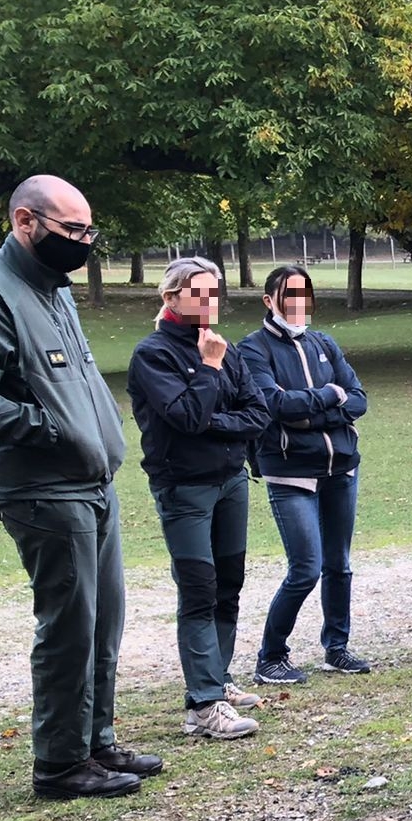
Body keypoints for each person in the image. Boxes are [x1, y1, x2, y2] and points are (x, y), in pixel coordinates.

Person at [0, 175, 162, 798]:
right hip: (42, 486)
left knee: (103, 618)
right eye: (72, 231)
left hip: (92, 482)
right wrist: (53, 431)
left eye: (90, 231)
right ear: (25, 222)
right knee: (68, 624)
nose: (84, 243)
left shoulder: (53, 288)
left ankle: (96, 741)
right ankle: (59, 765)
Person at [127, 256, 272, 741]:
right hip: (184, 487)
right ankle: (204, 705)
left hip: (231, 481)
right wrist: (209, 369)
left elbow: (258, 413)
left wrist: (216, 423)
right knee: (198, 589)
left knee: (229, 581)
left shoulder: (224, 348)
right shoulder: (153, 355)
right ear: (171, 298)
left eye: (215, 293)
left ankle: (216, 680)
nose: (211, 303)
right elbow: (186, 419)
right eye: (200, 294)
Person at [239, 264, 371, 685]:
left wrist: (314, 409)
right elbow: (275, 406)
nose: (299, 302)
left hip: (340, 469)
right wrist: (328, 400)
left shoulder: (324, 343)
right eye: (289, 294)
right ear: (269, 301)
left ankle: (337, 647)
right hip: (291, 475)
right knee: (306, 568)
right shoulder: (253, 350)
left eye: (305, 293)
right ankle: (271, 656)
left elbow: (358, 399)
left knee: (340, 565)